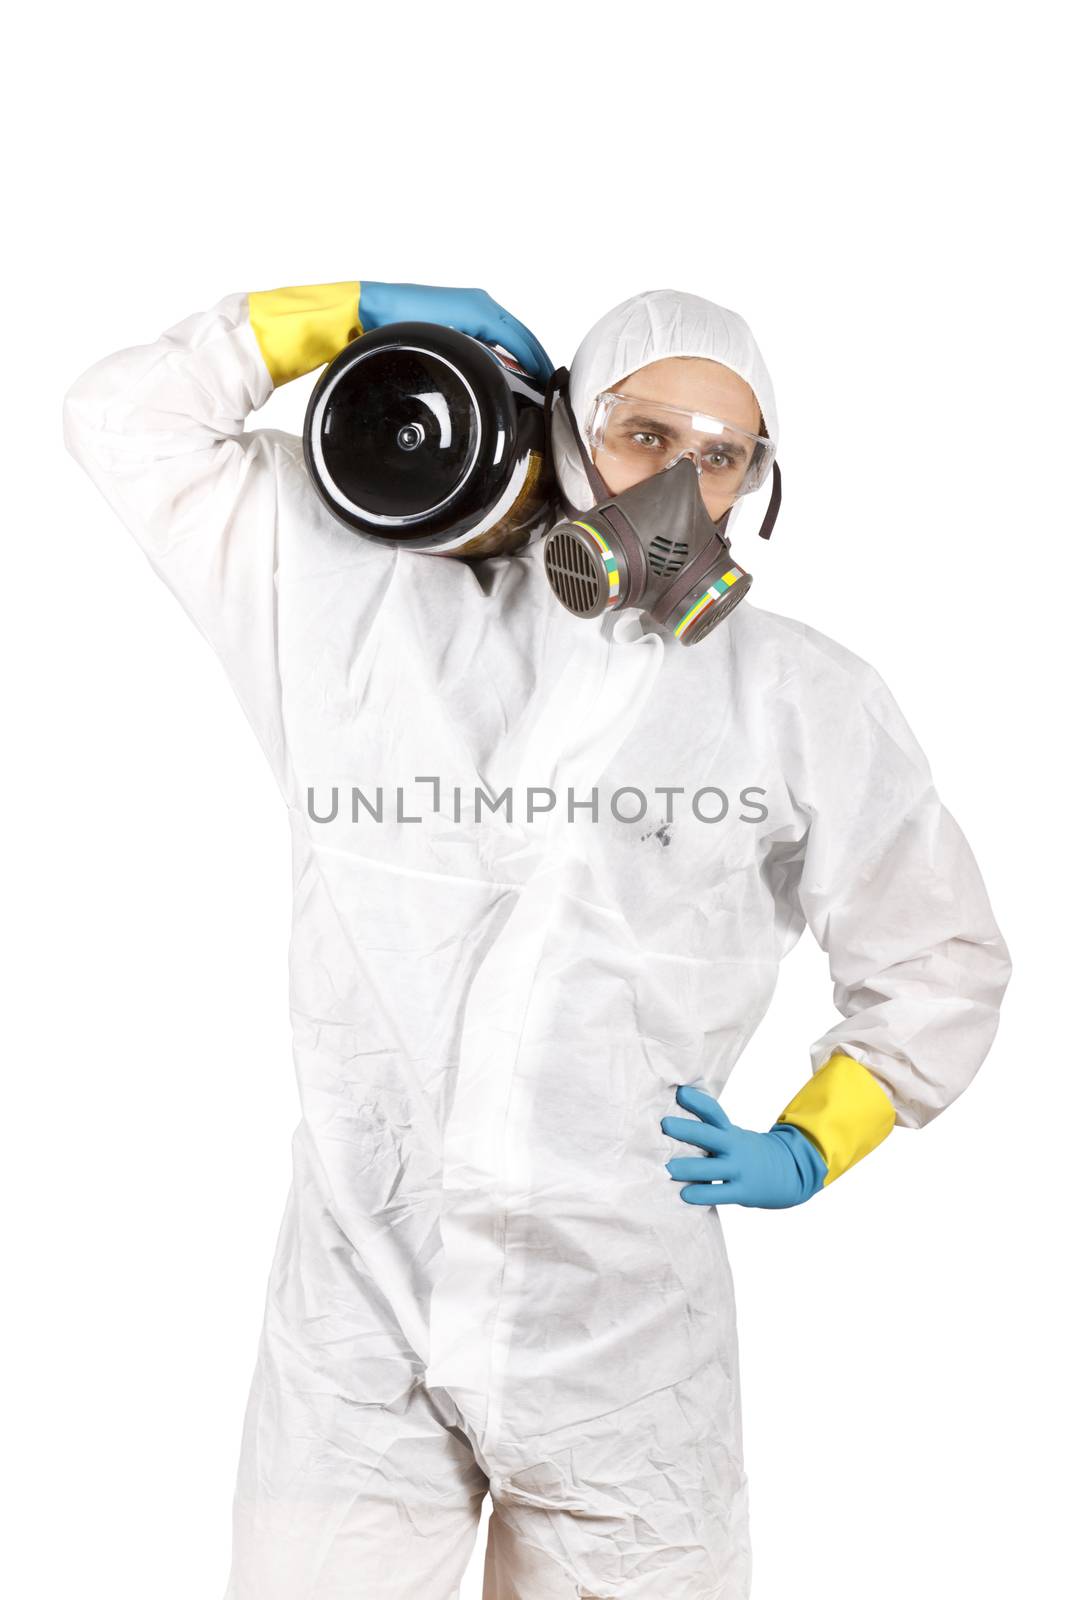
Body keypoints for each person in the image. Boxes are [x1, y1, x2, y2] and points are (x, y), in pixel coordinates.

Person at [63, 280, 1011, 1600]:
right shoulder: (357, 612)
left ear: (759, 487)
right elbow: (125, 419)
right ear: (559, 433)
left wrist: (821, 1135)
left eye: (721, 455)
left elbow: (936, 957)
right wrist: (333, 315)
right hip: (360, 1323)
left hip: (624, 1343)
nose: (679, 485)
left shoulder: (798, 697)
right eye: (640, 436)